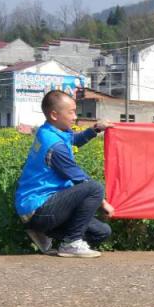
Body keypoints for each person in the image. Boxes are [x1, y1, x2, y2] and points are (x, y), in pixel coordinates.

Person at [14, 89, 113, 258]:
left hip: (48, 207)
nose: (75, 116)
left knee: (101, 232)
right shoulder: (55, 146)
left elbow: (73, 139)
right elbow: (80, 179)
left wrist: (96, 129)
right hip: (39, 207)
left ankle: (44, 233)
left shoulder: (49, 131)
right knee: (94, 188)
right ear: (54, 114)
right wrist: (103, 203)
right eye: (71, 112)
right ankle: (71, 243)